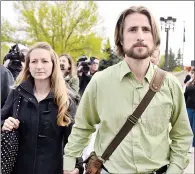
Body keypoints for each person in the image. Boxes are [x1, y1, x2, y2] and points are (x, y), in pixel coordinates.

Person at [63, 6, 193, 174]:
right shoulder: (100, 82)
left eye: (146, 29)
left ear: (154, 38)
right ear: (121, 39)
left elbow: (182, 135)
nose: (140, 36)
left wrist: (174, 169)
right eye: (132, 29)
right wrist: (68, 164)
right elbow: (82, 127)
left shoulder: (171, 85)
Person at [1, 42, 83, 174]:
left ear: (53, 64)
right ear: (28, 65)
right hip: (19, 168)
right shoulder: (17, 93)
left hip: (53, 168)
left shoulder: (66, 99)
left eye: (44, 61)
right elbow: (2, 118)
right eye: (34, 61)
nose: (39, 66)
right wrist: (4, 124)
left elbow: (73, 139)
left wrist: (77, 166)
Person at [184, 68, 195, 150]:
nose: (192, 74)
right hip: (189, 107)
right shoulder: (189, 83)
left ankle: (193, 146)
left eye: (193, 72)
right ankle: (188, 145)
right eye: (192, 72)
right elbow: (185, 95)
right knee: (188, 127)